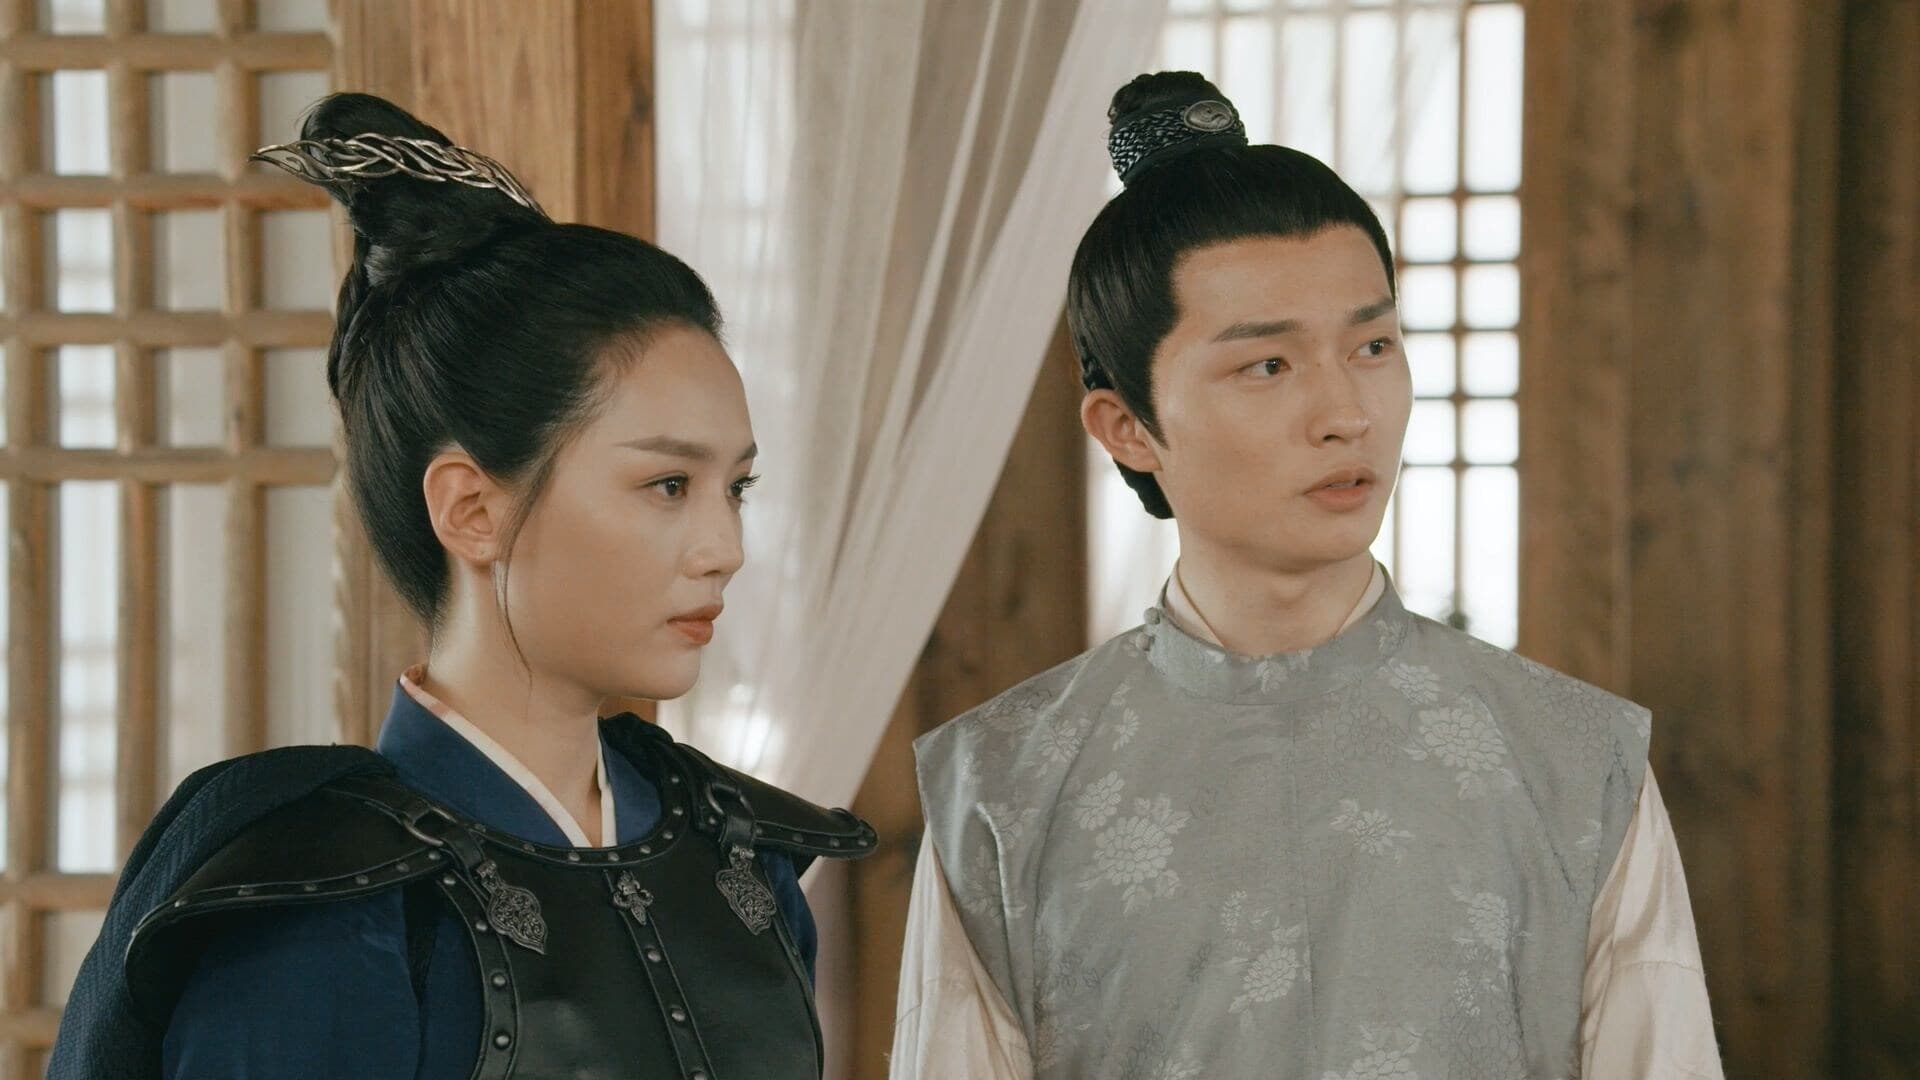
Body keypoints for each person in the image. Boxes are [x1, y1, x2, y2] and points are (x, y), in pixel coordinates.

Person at [892, 72, 1723, 1080]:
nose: (1346, 413)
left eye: (1372, 346)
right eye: (1269, 366)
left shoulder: (1575, 759)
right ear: (1128, 427)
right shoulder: (1001, 786)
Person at [50, 92, 874, 1080]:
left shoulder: (741, 859)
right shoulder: (328, 906)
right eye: (667, 485)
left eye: (735, 488)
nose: (725, 547)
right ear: (471, 510)